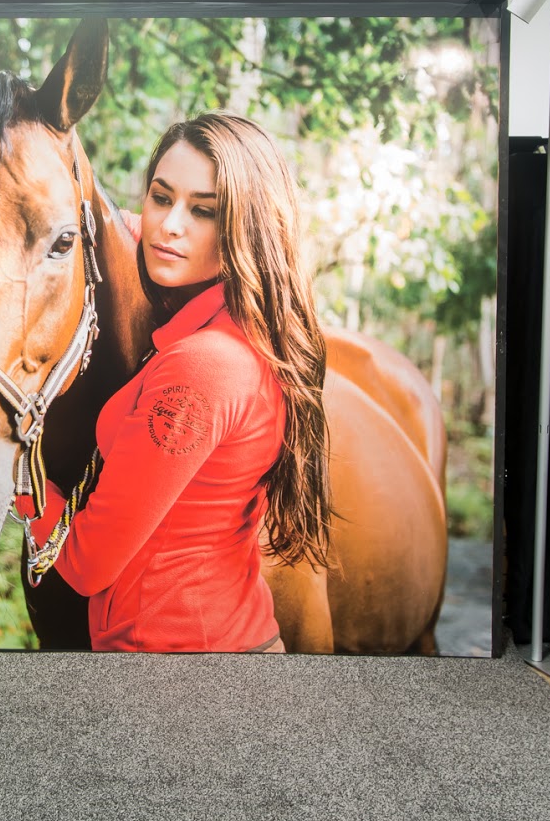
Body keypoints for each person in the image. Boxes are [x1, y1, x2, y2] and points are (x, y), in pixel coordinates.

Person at [26, 113, 332, 652]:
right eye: (161, 197)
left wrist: (18, 481)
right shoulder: (240, 326)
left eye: (204, 210)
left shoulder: (201, 368)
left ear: (246, 227)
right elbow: (130, 227)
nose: (169, 225)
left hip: (180, 670)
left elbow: (86, 564)